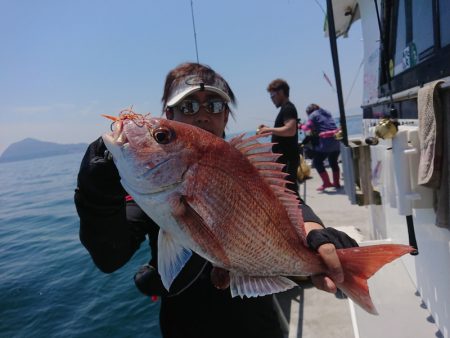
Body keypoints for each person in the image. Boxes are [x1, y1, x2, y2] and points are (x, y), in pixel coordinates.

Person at [74, 63, 357, 338]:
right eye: (188, 106)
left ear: (225, 117)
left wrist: (315, 233)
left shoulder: (248, 165)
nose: (203, 114)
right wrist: (96, 198)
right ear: (169, 114)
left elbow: (286, 204)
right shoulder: (149, 189)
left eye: (215, 104)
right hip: (186, 327)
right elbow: (110, 256)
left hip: (259, 325)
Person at [257, 79, 300, 196]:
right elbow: (284, 130)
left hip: (288, 159)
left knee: (290, 192)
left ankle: (300, 213)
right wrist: (269, 129)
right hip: (285, 159)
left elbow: (290, 130)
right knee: (287, 191)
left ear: (281, 92)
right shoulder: (285, 108)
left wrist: (269, 130)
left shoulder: (288, 108)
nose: (271, 99)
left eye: (272, 95)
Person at [302, 103, 341, 191]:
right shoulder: (327, 112)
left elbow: (306, 128)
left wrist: (300, 126)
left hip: (326, 143)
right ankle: (336, 183)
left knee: (317, 162)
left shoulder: (313, 115)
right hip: (336, 141)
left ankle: (327, 183)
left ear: (309, 111)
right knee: (333, 162)